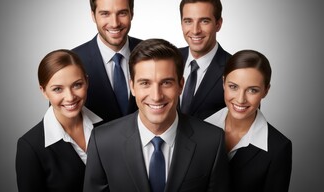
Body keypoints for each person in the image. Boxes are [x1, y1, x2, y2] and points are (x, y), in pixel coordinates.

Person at [83, 38, 230, 192]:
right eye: (145, 83)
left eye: (166, 83)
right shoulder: (102, 142)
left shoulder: (212, 142)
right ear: (132, 86)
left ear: (181, 85)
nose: (156, 96)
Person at [204, 49, 292, 192]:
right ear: (223, 83)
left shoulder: (278, 148)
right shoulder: (199, 125)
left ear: (266, 91)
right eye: (233, 87)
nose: (240, 99)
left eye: (252, 90)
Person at [15, 49, 103, 192]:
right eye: (57, 89)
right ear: (43, 91)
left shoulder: (107, 126)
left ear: (87, 82)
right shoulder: (31, 147)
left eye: (77, 85)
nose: (70, 97)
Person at [72, 0, 142, 122]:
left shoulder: (152, 54)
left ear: (132, 13)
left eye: (122, 13)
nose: (114, 23)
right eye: (105, 14)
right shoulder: (72, 61)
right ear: (93, 16)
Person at [179, 0, 231, 120]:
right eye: (188, 21)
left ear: (218, 24)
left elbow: (246, 126)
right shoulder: (170, 58)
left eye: (204, 21)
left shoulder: (234, 68)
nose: (195, 31)